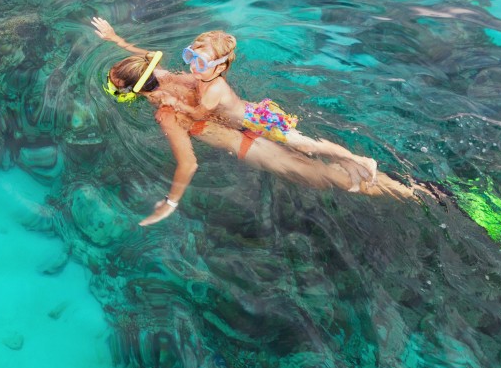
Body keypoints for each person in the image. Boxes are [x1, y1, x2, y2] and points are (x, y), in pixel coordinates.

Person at [94, 20, 415, 226]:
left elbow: (189, 165)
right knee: (311, 148)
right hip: (255, 119)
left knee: (330, 177)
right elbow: (145, 55)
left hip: (250, 145)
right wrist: (116, 39)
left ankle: (414, 194)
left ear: (133, 92)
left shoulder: (166, 114)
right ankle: (403, 184)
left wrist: (171, 202)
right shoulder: (172, 74)